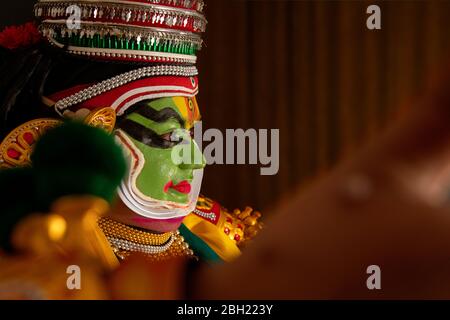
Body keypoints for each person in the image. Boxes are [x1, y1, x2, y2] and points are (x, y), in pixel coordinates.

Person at [0, 0, 262, 267]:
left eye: (191, 133)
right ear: (89, 139)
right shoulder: (32, 250)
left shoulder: (219, 234)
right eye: (169, 137)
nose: (196, 159)